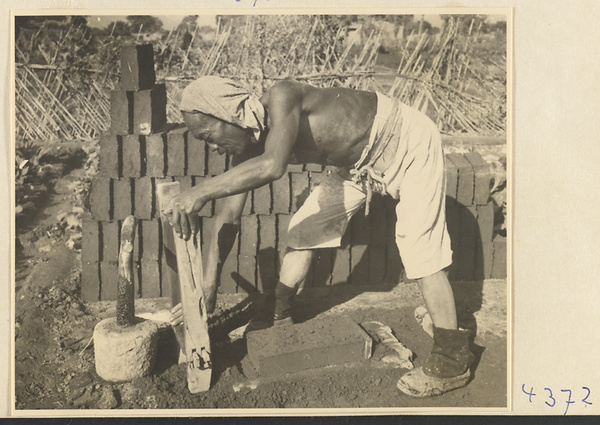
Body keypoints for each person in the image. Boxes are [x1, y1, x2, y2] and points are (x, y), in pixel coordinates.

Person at [165, 76, 474, 398]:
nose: (213, 149)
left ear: (229, 114)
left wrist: (200, 192)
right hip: (359, 166)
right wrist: (208, 285)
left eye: (208, 136)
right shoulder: (246, 151)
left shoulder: (283, 97)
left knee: (419, 248)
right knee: (304, 230)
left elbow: (273, 166)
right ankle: (280, 316)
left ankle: (452, 362)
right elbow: (227, 216)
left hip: (406, 142)